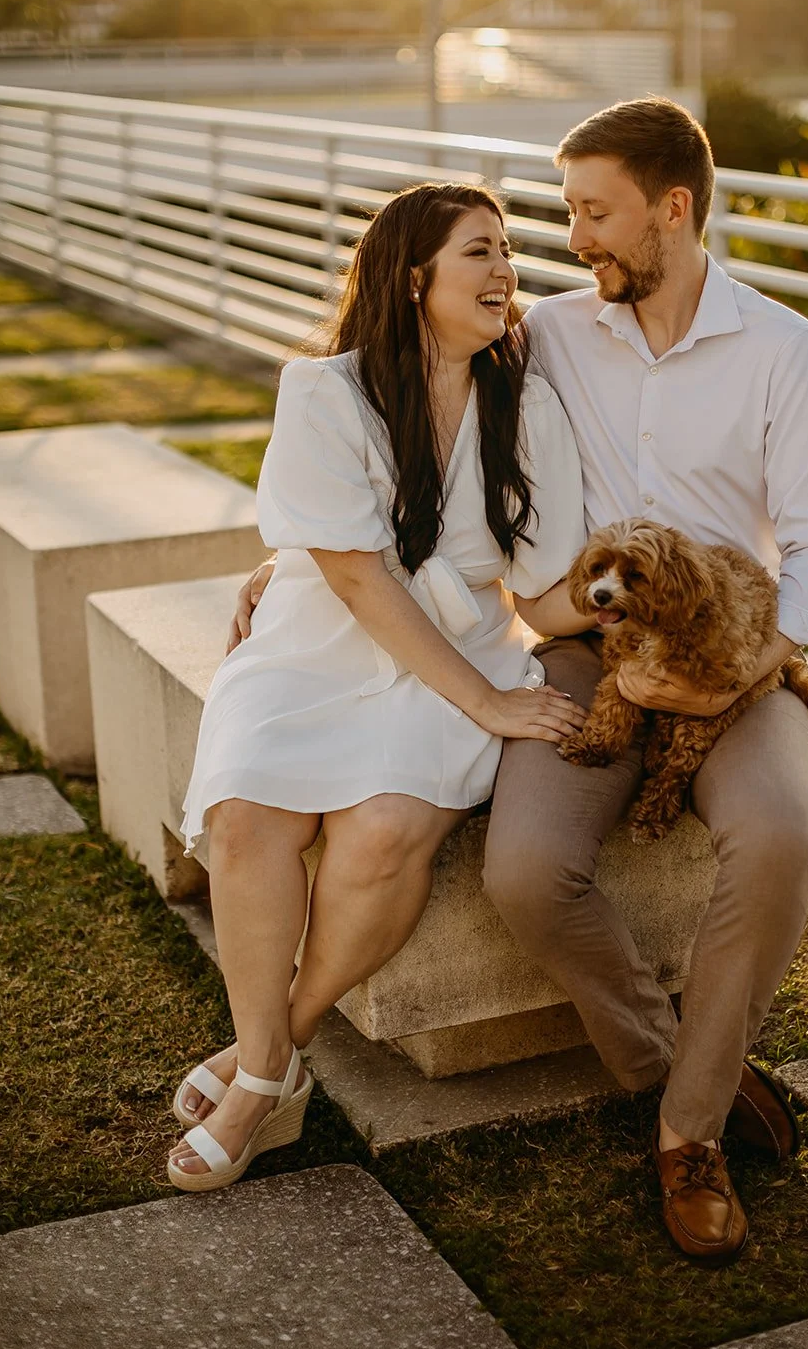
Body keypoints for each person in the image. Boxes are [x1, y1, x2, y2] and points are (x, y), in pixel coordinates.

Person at [230, 98, 808, 1266]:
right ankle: (682, 1068)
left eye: (593, 212)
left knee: (774, 839)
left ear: (672, 210)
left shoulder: (782, 350)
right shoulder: (547, 335)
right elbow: (397, 411)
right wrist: (291, 553)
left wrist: (750, 667)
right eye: (564, 213)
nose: (572, 239)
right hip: (584, 652)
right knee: (526, 869)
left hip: (737, 656)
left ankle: (684, 1140)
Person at [167, 182, 591, 1191]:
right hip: (321, 631)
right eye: (478, 253)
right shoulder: (325, 391)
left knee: (386, 830)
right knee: (246, 815)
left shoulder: (524, 402)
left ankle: (263, 1060)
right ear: (413, 278)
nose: (504, 273)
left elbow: (544, 582)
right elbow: (354, 572)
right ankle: (270, 1067)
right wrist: (487, 706)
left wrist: (669, 607)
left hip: (459, 645)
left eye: (506, 253)